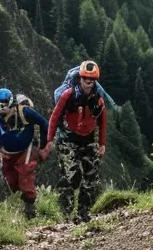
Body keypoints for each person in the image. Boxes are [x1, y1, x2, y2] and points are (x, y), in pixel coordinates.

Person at [46, 60, 108, 222]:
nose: (88, 82)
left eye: (92, 79)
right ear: (80, 78)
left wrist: (102, 143)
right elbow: (55, 116)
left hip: (89, 140)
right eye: (85, 78)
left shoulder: (98, 98)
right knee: (71, 175)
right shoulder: (68, 95)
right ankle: (66, 213)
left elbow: (102, 120)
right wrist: (49, 140)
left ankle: (83, 212)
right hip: (68, 139)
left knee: (91, 178)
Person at [0, 88, 50, 218]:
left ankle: (30, 209)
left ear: (10, 102)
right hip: (8, 152)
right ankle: (19, 201)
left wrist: (44, 146)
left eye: (3, 104)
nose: (1, 107)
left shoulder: (24, 112)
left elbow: (44, 123)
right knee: (10, 179)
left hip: (26, 150)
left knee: (25, 175)